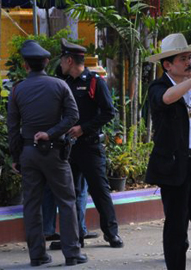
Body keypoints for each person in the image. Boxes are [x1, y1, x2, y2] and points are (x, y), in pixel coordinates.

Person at [7, 40, 87, 267]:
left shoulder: (17, 90)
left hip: (29, 154)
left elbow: (12, 128)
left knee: (32, 204)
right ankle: (72, 254)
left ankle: (37, 256)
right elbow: (73, 117)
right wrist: (50, 134)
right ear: (46, 63)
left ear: (25, 66)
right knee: (67, 201)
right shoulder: (60, 86)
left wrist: (16, 157)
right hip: (55, 153)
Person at [145, 33, 191, 270]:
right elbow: (167, 98)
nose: (189, 62)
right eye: (183, 59)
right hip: (175, 167)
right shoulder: (159, 87)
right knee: (177, 230)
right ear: (167, 64)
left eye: (190, 58)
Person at [46, 39, 123, 250]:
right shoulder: (64, 82)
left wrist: (84, 128)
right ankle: (72, 237)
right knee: (69, 193)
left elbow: (109, 112)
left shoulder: (94, 82)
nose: (60, 64)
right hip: (69, 148)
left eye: (62, 60)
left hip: (90, 146)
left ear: (70, 60)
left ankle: (111, 233)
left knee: (100, 191)